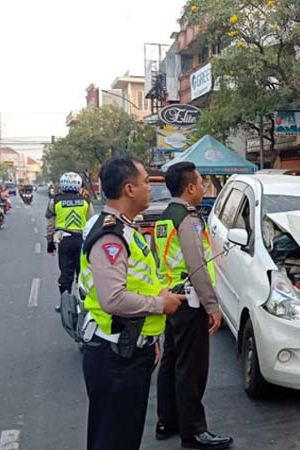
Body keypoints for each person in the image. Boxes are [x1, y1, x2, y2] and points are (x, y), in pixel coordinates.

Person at [79, 156, 185, 450]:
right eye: (146, 183)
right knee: (115, 440)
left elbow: (138, 281)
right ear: (129, 189)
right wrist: (159, 304)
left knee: (120, 436)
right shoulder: (111, 236)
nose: (150, 189)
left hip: (129, 346)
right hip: (116, 357)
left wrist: (150, 339)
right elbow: (113, 298)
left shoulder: (125, 229)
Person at [155, 161, 233, 450]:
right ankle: (194, 432)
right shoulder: (187, 219)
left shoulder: (166, 216)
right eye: (201, 183)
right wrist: (212, 306)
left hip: (172, 297)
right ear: (189, 188)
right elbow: (197, 265)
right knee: (192, 368)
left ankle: (167, 421)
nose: (203, 188)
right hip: (190, 300)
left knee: (172, 363)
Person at [46, 172, 95, 297]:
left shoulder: (55, 202)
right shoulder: (85, 202)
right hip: (82, 242)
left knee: (66, 273)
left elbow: (50, 224)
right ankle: (82, 302)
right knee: (82, 272)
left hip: (64, 241)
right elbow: (92, 222)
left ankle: (65, 301)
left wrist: (50, 242)